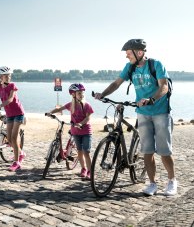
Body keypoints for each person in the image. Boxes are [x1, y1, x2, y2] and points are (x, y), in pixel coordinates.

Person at [94, 39, 176, 196]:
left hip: (161, 112)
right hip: (143, 113)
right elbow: (117, 83)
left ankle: (172, 181)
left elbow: (164, 86)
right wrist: (103, 94)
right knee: (147, 151)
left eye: (129, 53)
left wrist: (151, 99)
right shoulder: (129, 67)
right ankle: (152, 184)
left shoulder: (155, 65)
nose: (127, 57)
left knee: (164, 151)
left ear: (140, 52)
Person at [46, 83, 94, 179]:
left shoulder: (86, 105)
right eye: (79, 93)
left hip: (86, 132)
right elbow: (60, 108)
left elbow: (88, 117)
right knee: (79, 152)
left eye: (82, 93)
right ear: (73, 95)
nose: (81, 95)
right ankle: (83, 169)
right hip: (75, 132)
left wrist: (81, 123)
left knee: (86, 152)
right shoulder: (71, 105)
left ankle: (90, 171)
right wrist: (50, 112)